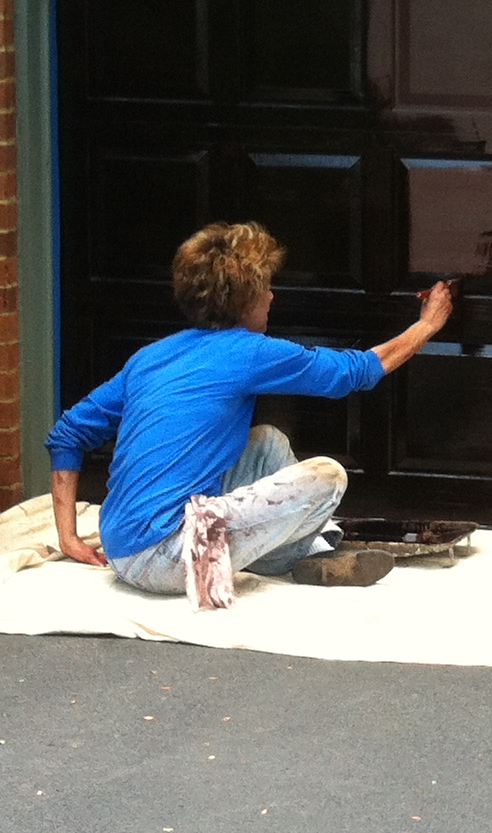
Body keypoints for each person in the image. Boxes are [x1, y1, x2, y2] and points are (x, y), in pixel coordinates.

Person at [47, 221, 454, 597]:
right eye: (267, 288)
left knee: (266, 443)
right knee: (328, 475)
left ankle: (309, 553)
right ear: (245, 300)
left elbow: (68, 433)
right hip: (167, 557)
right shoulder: (248, 352)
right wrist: (428, 326)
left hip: (121, 548)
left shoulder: (151, 357)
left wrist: (68, 536)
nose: (272, 297)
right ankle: (302, 553)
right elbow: (354, 372)